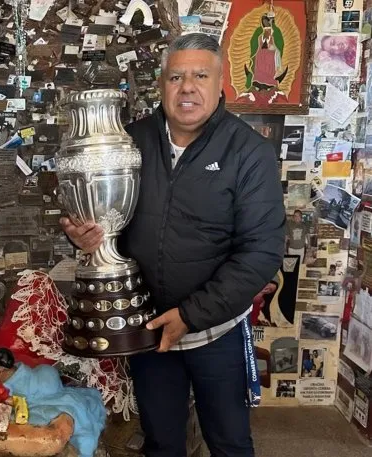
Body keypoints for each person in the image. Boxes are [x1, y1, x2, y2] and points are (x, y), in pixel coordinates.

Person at [60, 33, 285, 457]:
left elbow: (261, 251)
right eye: (176, 76)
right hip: (148, 328)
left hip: (215, 330)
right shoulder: (129, 143)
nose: (187, 88)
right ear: (161, 84)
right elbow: (105, 221)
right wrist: (83, 236)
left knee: (230, 441)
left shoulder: (248, 152)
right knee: (162, 442)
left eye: (201, 75)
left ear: (222, 84)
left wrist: (191, 315)